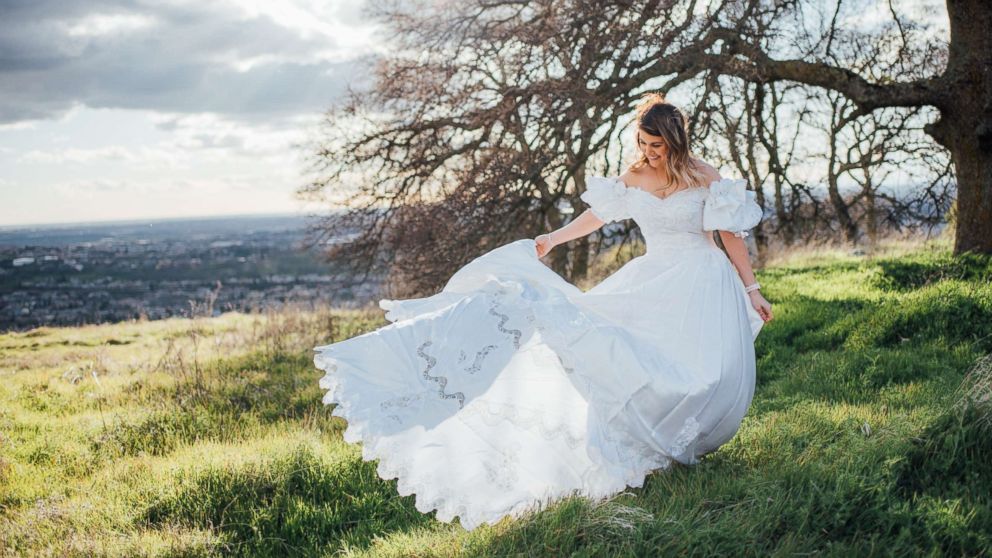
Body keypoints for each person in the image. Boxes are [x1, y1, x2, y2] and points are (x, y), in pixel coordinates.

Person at [313, 92, 772, 531]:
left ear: (676, 141)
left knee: (705, 370)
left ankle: (689, 437)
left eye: (657, 146)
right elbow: (596, 218)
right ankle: (648, 442)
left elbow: (731, 236)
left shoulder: (705, 176)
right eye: (644, 144)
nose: (650, 153)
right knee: (621, 351)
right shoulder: (632, 179)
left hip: (702, 279)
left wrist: (751, 288)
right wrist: (553, 239)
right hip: (654, 276)